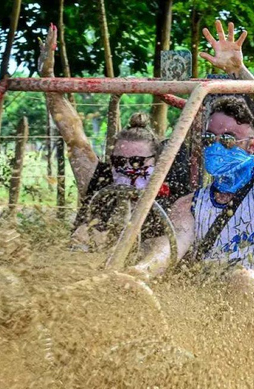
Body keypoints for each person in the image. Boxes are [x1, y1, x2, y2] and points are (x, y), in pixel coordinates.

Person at [133, 20, 254, 318]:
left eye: (228, 139)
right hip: (215, 320)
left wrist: (238, 72)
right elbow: (171, 246)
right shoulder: (191, 205)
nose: (216, 146)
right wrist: (141, 272)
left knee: (244, 281)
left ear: (252, 146)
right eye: (209, 138)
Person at [38, 24, 187, 248]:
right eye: (119, 161)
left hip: (143, 270)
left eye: (137, 161)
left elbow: (199, 130)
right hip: (86, 273)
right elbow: (73, 134)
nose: (127, 168)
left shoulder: (171, 189)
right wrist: (48, 78)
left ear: (156, 162)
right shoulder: (101, 179)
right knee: (83, 236)